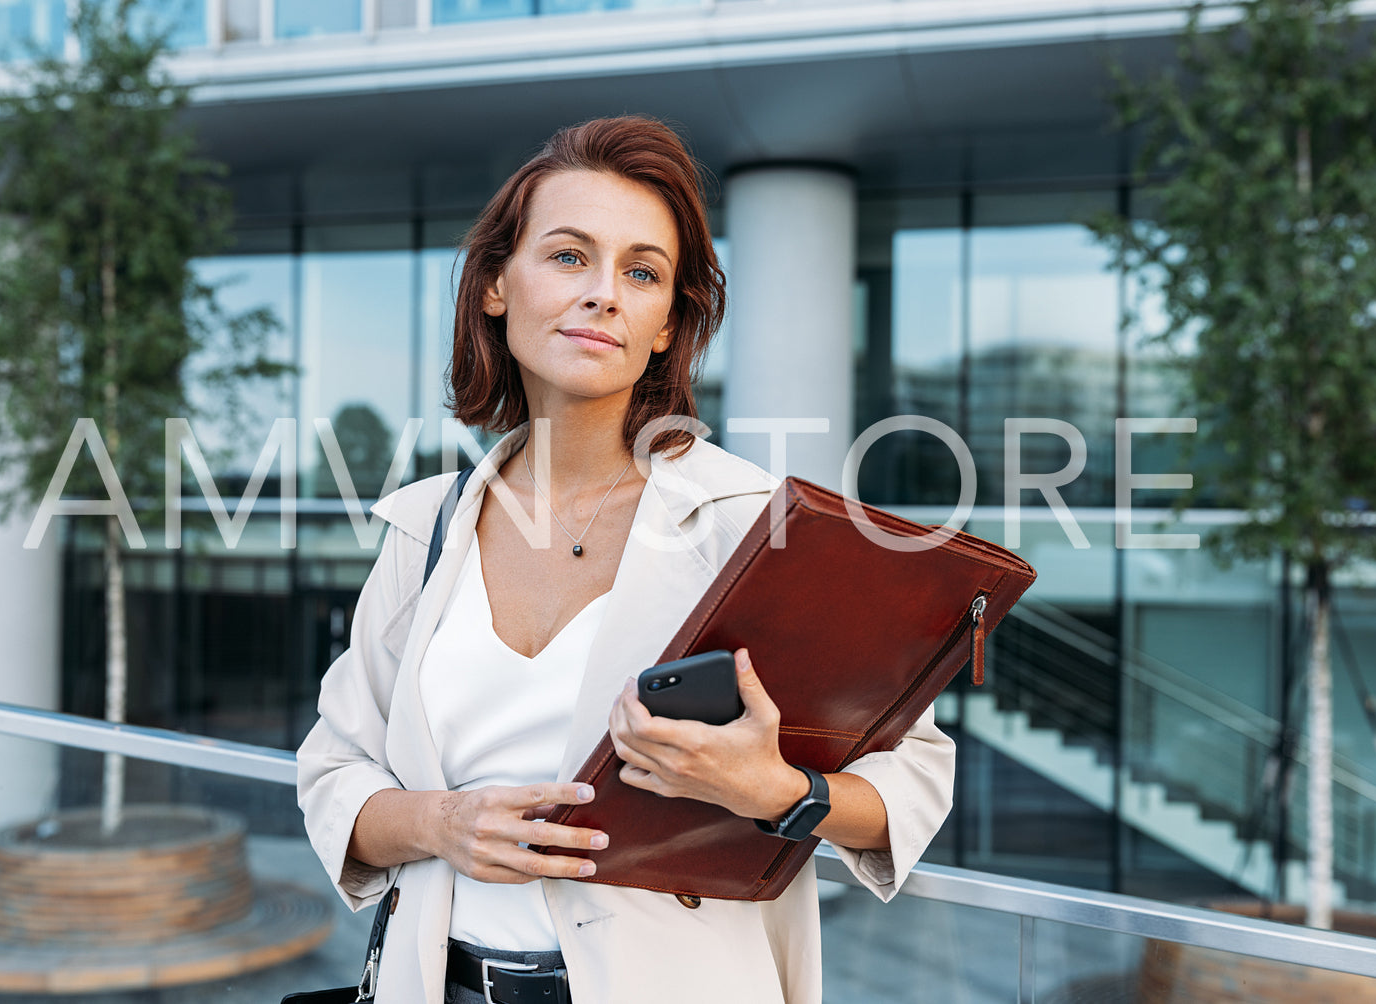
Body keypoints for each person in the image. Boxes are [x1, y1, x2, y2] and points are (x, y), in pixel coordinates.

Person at [296, 115, 956, 1004]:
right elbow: (335, 774)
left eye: (641, 273)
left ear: (662, 327)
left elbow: (911, 774)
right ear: (496, 284)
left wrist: (772, 788)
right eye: (568, 256)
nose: (604, 293)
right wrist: (441, 824)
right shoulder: (427, 528)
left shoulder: (748, 524)